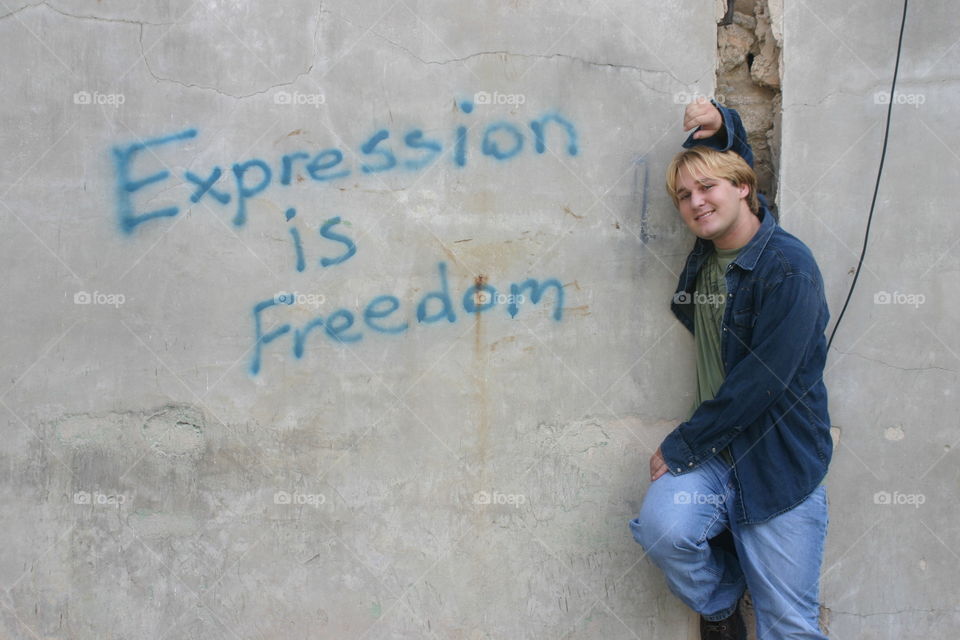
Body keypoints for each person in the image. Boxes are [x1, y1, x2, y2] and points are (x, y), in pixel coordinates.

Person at [629, 99, 833, 640]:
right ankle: (720, 605)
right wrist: (725, 123)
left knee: (788, 625)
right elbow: (726, 170)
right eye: (684, 196)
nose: (697, 203)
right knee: (663, 530)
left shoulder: (788, 267)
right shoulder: (709, 249)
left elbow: (760, 382)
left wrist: (680, 445)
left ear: (744, 188)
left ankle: (754, 572)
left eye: (708, 189)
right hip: (717, 457)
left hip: (776, 461)